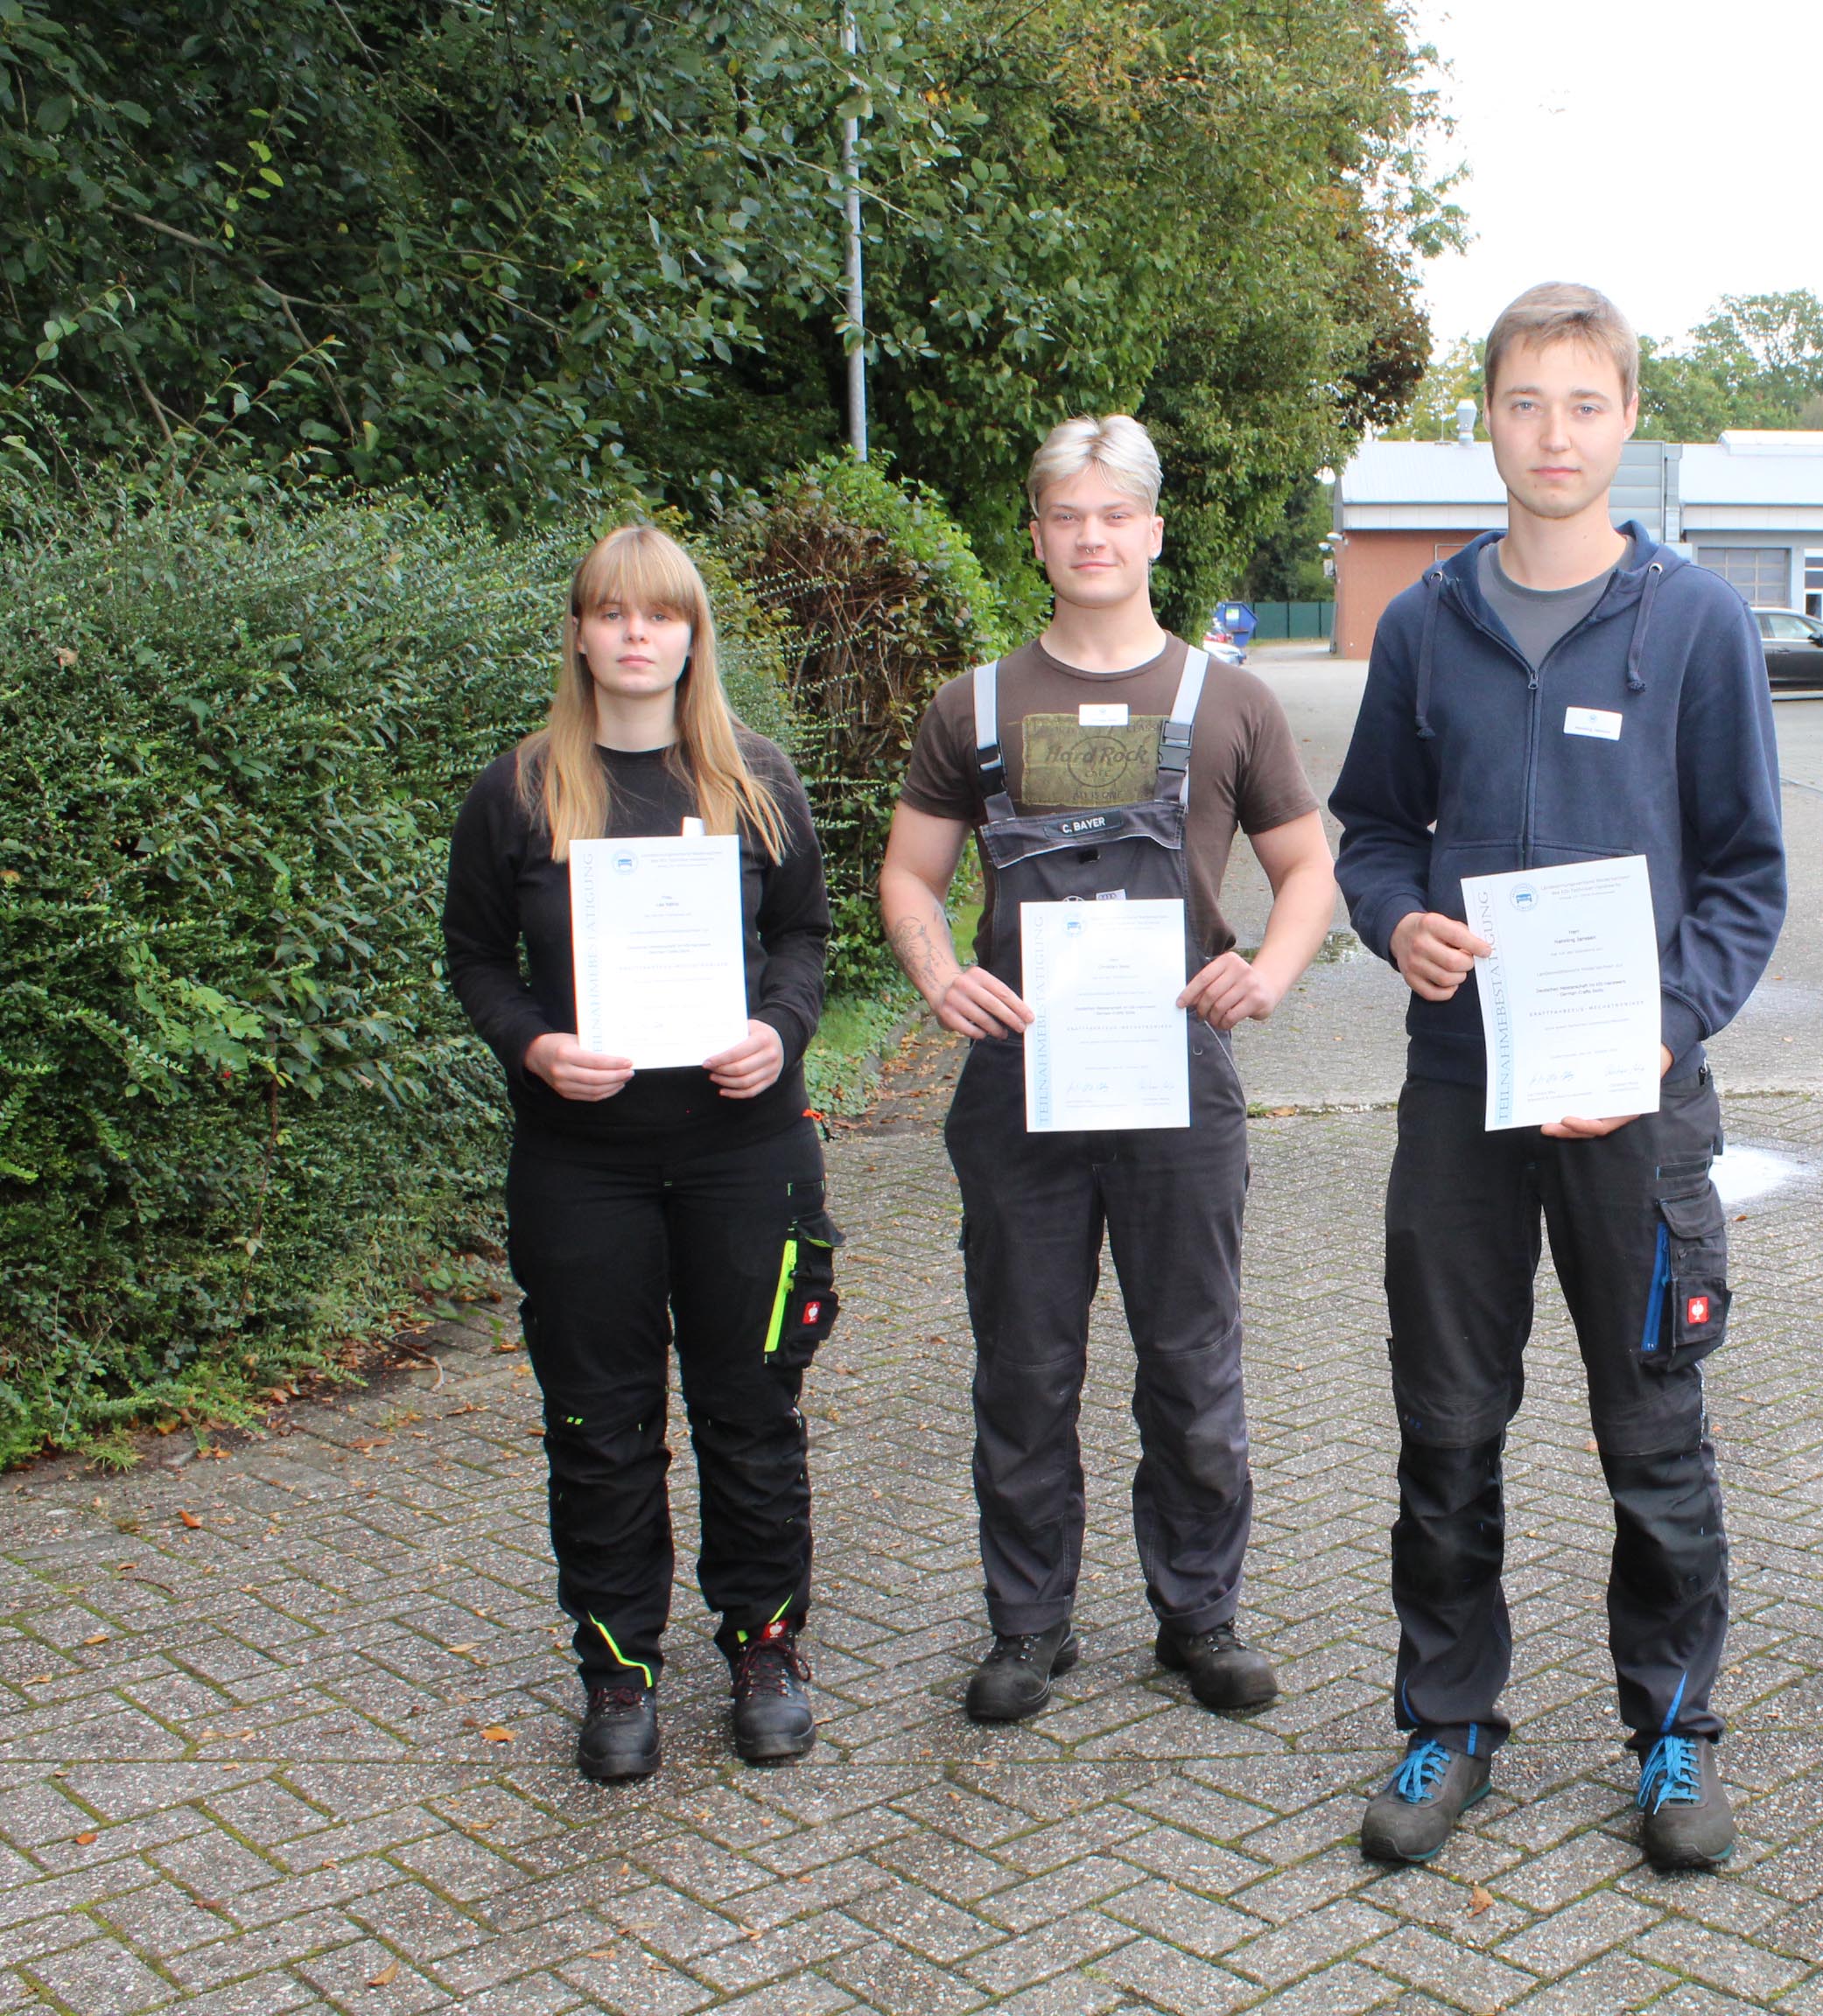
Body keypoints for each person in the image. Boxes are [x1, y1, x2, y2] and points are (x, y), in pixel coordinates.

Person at [1329, 282, 1785, 1872]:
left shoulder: (1697, 622)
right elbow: (1370, 831)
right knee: (1448, 1423)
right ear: (1488, 420)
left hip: (1633, 1096)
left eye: (1585, 403)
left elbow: (1745, 876)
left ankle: (1674, 1733)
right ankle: (1448, 1719)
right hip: (1463, 1088)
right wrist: (1397, 924)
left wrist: (1665, 1030)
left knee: (1653, 1426)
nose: (1554, 434)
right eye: (1526, 402)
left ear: (1628, 420)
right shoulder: (1423, 624)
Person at [880, 415, 1337, 1728]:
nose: (1091, 537)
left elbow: (1307, 868)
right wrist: (937, 974)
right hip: (1018, 1075)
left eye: (1114, 514)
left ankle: (1200, 1616)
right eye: (1066, 516)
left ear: (1152, 532)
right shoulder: (971, 706)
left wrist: (1271, 970)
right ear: (1037, 537)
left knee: (1191, 1360)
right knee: (1025, 1365)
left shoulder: (1228, 701)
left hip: (1174, 1072)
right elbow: (908, 874)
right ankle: (1029, 1625)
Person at [445, 525, 837, 1782]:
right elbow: (474, 960)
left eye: (659, 615)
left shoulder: (754, 777)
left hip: (744, 1151)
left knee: (751, 1411)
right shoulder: (518, 791)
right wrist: (534, 1045)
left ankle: (765, 1648)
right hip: (583, 1163)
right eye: (610, 613)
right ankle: (618, 1670)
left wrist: (779, 1033)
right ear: (577, 634)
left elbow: (806, 937)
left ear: (690, 637)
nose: (633, 635)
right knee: (599, 1424)